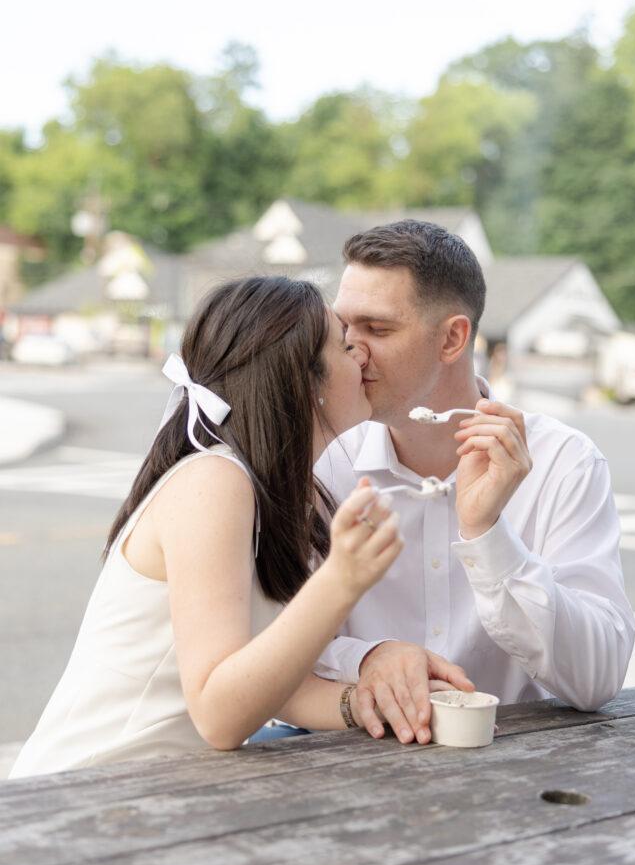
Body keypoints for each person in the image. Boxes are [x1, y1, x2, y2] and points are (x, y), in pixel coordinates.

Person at [10, 276, 405, 778]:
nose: (363, 357)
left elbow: (272, 687)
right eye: (346, 346)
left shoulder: (287, 492)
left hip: (162, 793)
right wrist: (342, 581)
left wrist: (373, 702)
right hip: (86, 794)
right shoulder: (214, 481)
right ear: (304, 380)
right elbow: (221, 716)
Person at [313, 220, 635, 745]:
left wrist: (488, 535)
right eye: (344, 328)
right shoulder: (325, 459)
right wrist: (367, 658)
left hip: (515, 769)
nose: (353, 349)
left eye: (377, 328)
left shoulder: (564, 461)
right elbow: (268, 641)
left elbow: (598, 679)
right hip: (343, 762)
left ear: (453, 338)